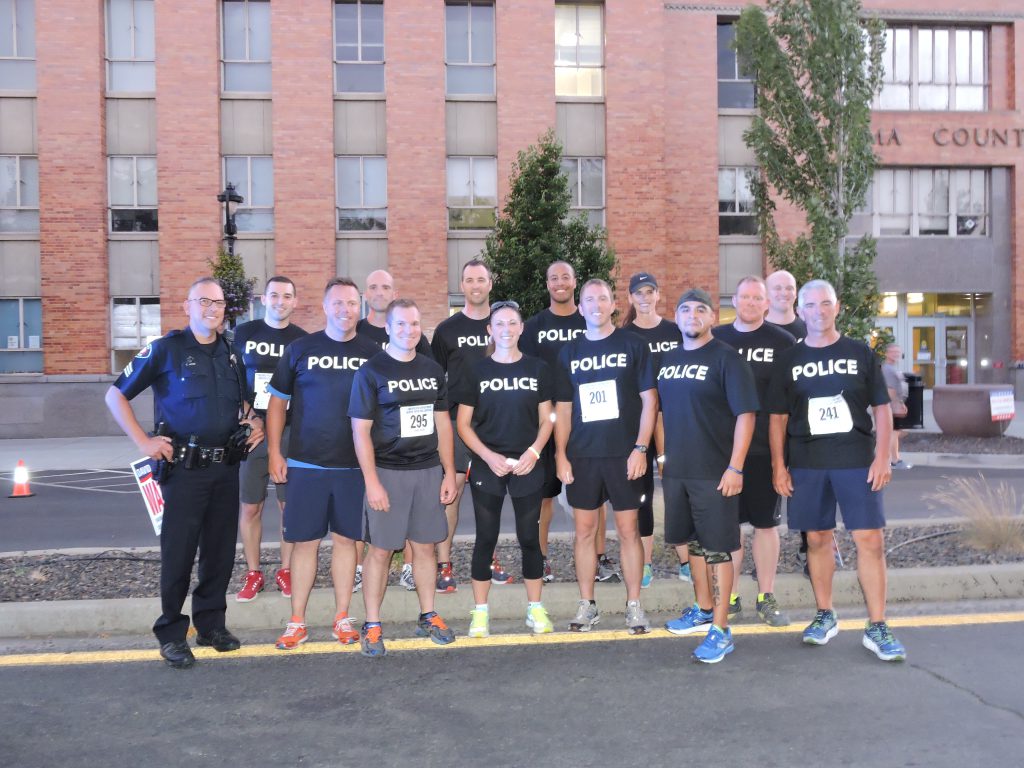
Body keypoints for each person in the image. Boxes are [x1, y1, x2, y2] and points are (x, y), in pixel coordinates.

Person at [104, 277, 264, 669]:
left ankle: (211, 626)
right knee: (178, 554)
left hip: (226, 467)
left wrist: (253, 421)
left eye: (219, 303)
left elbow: (241, 402)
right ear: (187, 305)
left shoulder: (231, 351)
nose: (213, 309)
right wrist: (144, 442)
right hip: (184, 471)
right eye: (204, 301)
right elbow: (115, 394)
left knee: (219, 552)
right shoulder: (165, 350)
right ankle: (172, 633)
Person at [766, 279, 906, 662]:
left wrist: (882, 457)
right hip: (808, 464)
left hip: (856, 461)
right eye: (810, 305)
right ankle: (825, 614)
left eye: (825, 303)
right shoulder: (789, 360)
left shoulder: (860, 352)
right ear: (801, 311)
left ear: (836, 307)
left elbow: (881, 408)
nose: (818, 311)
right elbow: (777, 418)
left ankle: (877, 625)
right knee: (817, 540)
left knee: (870, 540)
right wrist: (779, 466)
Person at [266, 278, 381, 650]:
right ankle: (296, 620)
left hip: (354, 468)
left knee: (348, 541)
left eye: (351, 303)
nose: (345, 310)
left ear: (359, 307)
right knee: (304, 542)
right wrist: (273, 453)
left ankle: (342, 615)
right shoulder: (300, 349)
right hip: (305, 464)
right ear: (325, 305)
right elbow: (276, 404)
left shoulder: (373, 353)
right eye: (338, 303)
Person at [350, 299, 458, 658]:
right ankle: (372, 623)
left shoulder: (431, 369)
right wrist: (371, 482)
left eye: (414, 324)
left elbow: (443, 423)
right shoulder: (371, 372)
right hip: (387, 472)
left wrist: (448, 472)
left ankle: (428, 615)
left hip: (426, 471)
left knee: (425, 546)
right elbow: (360, 431)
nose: (408, 331)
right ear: (389, 328)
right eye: (401, 324)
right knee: (380, 550)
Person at [659, 288, 758, 663]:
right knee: (693, 545)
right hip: (679, 471)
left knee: (718, 549)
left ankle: (722, 628)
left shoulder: (727, 359)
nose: (692, 314)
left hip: (715, 472)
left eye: (701, 309)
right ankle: (702, 609)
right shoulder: (669, 358)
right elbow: (664, 412)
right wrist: (663, 458)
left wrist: (735, 467)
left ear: (713, 318)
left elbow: (746, 415)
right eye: (685, 309)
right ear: (677, 316)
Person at [554, 279, 657, 634]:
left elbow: (650, 402)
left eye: (602, 298)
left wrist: (641, 448)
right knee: (584, 532)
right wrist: (560, 456)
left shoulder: (633, 344)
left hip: (624, 455)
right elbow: (563, 410)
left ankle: (634, 605)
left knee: (629, 531)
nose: (596, 305)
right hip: (583, 456)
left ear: (613, 304)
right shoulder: (569, 352)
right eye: (588, 300)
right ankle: (587, 605)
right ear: (579, 308)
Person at [456, 300, 556, 637]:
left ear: (521, 328)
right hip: (489, 464)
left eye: (513, 323)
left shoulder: (538, 369)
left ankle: (535, 609)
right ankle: (481, 613)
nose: (506, 330)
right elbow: (463, 425)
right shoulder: (476, 371)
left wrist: (534, 452)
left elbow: (548, 419)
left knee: (530, 538)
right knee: (486, 537)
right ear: (490, 330)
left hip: (528, 462)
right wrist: (487, 456)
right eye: (499, 323)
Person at [713, 276, 797, 626]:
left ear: (767, 304)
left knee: (766, 526)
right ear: (735, 300)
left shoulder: (784, 342)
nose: (750, 303)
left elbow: (791, 401)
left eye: (756, 298)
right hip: (724, 453)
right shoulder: (716, 339)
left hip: (766, 450)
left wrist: (784, 461)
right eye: (744, 296)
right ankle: (729, 598)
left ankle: (766, 596)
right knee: (728, 528)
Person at [430, 259, 512, 591]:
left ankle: (487, 559)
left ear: (490, 283)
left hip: (494, 424)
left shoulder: (503, 326)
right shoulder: (446, 330)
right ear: (461, 285)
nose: (475, 285)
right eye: (469, 280)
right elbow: (434, 380)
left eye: (481, 279)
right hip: (454, 423)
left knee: (490, 496)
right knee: (452, 492)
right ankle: (444, 564)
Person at [231, 276, 307, 602]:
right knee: (250, 507)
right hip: (253, 432)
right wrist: (250, 419)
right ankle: (253, 572)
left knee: (289, 507)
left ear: (295, 301)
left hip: (290, 432)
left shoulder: (302, 340)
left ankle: (286, 570)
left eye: (287, 296)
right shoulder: (244, 334)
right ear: (264, 298)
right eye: (274, 295)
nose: (280, 301)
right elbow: (233, 383)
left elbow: (305, 391)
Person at [357, 269, 432, 592]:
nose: (379, 291)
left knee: (420, 533)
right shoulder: (358, 337)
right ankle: (362, 576)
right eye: (373, 286)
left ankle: (410, 572)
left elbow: (431, 401)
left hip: (420, 459)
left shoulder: (423, 350)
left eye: (385, 286)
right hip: (378, 450)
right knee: (375, 534)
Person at [520, 260, 587, 584]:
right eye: (553, 277)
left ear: (575, 282)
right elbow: (527, 373)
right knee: (544, 497)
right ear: (547, 284)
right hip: (546, 422)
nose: (559, 282)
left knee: (592, 499)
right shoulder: (534, 327)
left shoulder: (590, 321)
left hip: (588, 422)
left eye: (565, 277)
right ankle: (541, 558)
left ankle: (596, 560)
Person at [621, 272, 686, 589]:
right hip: (641, 428)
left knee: (679, 492)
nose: (645, 298)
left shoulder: (676, 331)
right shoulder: (625, 335)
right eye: (638, 293)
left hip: (678, 424)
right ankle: (645, 563)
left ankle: (687, 561)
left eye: (650, 292)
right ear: (630, 298)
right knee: (642, 497)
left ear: (658, 295)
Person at [881, 343, 912, 470]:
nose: (895, 354)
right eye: (893, 351)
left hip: (894, 403)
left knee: (894, 432)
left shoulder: (891, 368)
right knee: (893, 432)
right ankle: (894, 460)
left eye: (897, 352)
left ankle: (891, 458)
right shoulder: (888, 369)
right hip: (891, 405)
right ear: (887, 353)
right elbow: (890, 389)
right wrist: (896, 404)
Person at [765, 270, 807, 341]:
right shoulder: (752, 331)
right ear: (765, 294)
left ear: (796, 294)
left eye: (789, 288)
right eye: (777, 288)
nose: (784, 293)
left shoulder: (810, 331)